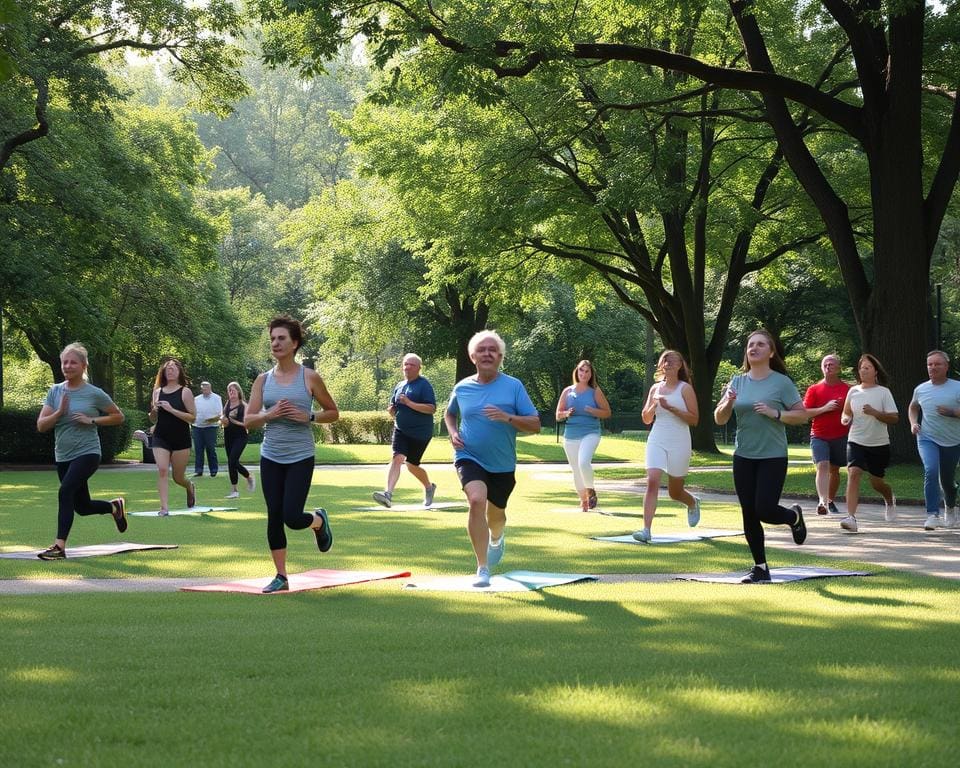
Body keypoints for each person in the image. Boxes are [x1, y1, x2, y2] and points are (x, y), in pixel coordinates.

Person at [246, 314, 339, 594]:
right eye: (272, 338)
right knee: (274, 515)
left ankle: (318, 520)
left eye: (281, 338)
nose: (275, 343)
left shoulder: (308, 377)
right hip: (271, 455)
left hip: (300, 456)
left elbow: (333, 412)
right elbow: (248, 420)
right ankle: (281, 576)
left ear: (295, 343)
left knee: (291, 516)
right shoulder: (263, 381)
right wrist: (268, 414)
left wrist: (308, 416)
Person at [444, 330, 541, 587]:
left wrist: (507, 417)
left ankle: (497, 538)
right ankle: (482, 567)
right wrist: (453, 433)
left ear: (500, 357)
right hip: (468, 455)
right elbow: (449, 413)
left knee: (496, 517)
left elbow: (535, 424)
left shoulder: (513, 386)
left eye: (492, 350)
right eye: (482, 350)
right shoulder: (462, 388)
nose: (487, 353)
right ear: (473, 356)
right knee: (476, 500)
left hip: (502, 464)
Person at [714, 329, 809, 583]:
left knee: (764, 509)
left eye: (759, 344)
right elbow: (719, 418)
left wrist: (775, 413)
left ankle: (793, 516)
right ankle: (760, 567)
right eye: (750, 345)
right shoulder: (737, 382)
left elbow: (802, 415)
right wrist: (727, 403)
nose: (753, 348)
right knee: (748, 511)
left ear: (771, 352)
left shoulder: (781, 382)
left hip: (773, 455)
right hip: (744, 455)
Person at [35, 343, 128, 560]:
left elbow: (118, 416)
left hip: (88, 453)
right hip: (63, 455)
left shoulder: (94, 393)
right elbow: (41, 425)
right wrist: (58, 413)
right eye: (64, 362)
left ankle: (59, 547)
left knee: (65, 491)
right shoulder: (55, 391)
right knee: (82, 507)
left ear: (84, 365)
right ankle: (114, 507)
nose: (67, 366)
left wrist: (92, 420)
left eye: (73, 362)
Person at [633, 350, 700, 542]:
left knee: (674, 492)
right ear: (660, 365)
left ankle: (692, 502)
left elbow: (694, 419)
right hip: (657, 438)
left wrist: (671, 407)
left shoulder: (685, 388)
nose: (668, 363)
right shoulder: (655, 389)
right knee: (652, 480)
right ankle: (646, 530)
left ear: (680, 365)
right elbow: (646, 419)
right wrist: (654, 406)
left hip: (679, 440)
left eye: (672, 361)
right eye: (665, 360)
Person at [839, 354, 898, 532]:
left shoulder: (883, 392)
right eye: (861, 368)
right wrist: (846, 418)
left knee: (877, 483)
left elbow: (894, 418)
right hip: (856, 440)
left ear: (875, 372)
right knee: (854, 473)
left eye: (867, 368)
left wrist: (875, 412)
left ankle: (889, 498)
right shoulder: (853, 391)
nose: (863, 371)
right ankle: (851, 518)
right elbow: (846, 412)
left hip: (878, 444)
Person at [373, 353, 438, 508]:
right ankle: (387, 494)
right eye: (405, 364)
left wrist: (409, 403)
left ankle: (429, 487)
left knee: (412, 465)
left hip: (420, 433)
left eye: (412, 365)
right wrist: (392, 410)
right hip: (401, 430)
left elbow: (431, 408)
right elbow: (393, 408)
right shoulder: (399, 385)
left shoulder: (424, 385)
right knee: (397, 458)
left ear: (419, 368)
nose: (407, 367)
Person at [907, 350, 960, 531]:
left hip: (953, 440)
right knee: (931, 470)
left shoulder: (957, 387)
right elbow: (913, 407)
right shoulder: (921, 389)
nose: (933, 367)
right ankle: (932, 514)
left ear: (946, 366)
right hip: (927, 437)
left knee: (947, 481)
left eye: (937, 364)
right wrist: (914, 423)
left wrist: (953, 413)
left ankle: (950, 507)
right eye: (930, 364)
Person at [555, 360, 611, 511]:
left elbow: (607, 412)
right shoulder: (568, 391)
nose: (584, 374)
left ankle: (590, 490)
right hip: (570, 434)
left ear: (591, 374)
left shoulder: (595, 391)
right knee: (575, 468)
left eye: (587, 371)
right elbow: (558, 415)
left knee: (583, 462)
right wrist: (566, 413)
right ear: (577, 372)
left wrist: (593, 411)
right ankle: (584, 500)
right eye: (581, 371)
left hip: (590, 432)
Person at [803, 354, 851, 515]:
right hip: (819, 435)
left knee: (835, 470)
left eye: (831, 364)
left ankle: (830, 500)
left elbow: (853, 412)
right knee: (822, 465)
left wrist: (847, 416)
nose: (828, 367)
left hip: (841, 435)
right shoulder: (814, 389)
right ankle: (822, 501)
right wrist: (825, 408)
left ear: (839, 368)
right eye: (825, 364)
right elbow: (805, 413)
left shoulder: (848, 390)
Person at [149, 358, 197, 516]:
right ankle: (164, 508)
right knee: (162, 470)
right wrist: (154, 412)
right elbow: (153, 418)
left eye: (173, 368)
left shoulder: (185, 392)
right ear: (163, 372)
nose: (170, 370)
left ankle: (189, 486)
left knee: (178, 477)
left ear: (179, 372)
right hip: (160, 437)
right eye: (167, 368)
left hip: (180, 439)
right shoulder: (157, 392)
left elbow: (192, 418)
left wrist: (171, 409)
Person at [221, 381, 255, 499]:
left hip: (240, 436)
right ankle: (235, 491)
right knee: (232, 463)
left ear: (238, 391)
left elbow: (247, 424)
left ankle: (248, 477)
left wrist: (233, 420)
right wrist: (223, 420)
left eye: (233, 390)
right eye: (229, 391)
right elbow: (224, 419)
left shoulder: (244, 405)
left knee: (232, 460)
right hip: (228, 435)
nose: (231, 393)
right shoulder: (227, 404)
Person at [192, 381, 223, 477]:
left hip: (211, 427)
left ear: (210, 388)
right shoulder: (196, 399)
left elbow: (220, 413)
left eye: (205, 388)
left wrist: (211, 419)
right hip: (197, 427)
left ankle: (213, 470)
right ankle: (198, 470)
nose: (204, 390)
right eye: (202, 388)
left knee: (210, 448)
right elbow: (193, 411)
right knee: (198, 449)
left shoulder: (217, 398)